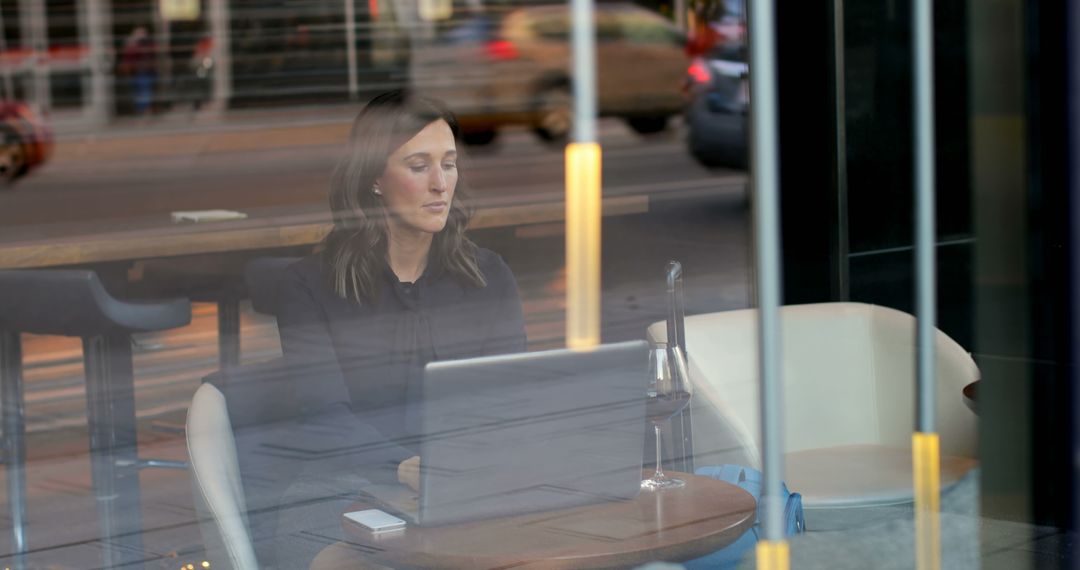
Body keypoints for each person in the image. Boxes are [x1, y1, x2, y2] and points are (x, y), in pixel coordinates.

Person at [254, 90, 527, 568]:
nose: (441, 184)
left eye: (450, 164)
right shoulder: (307, 285)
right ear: (375, 179)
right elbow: (325, 418)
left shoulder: (488, 276)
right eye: (419, 166)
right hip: (344, 484)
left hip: (466, 484)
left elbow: (510, 400)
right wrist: (403, 467)